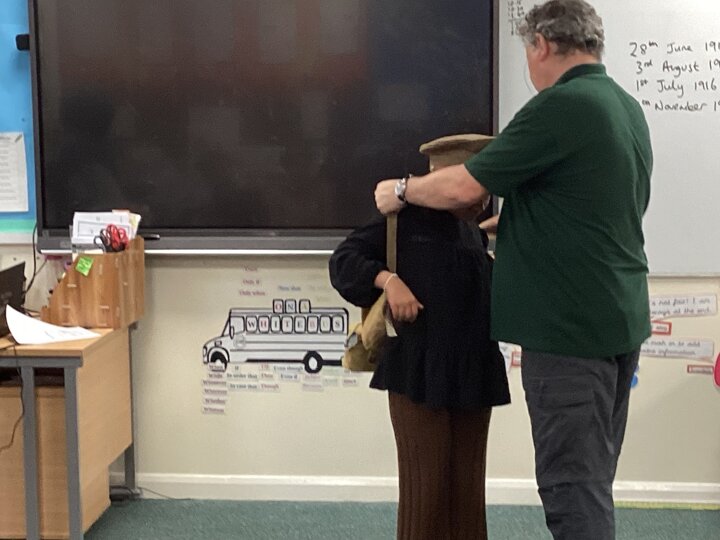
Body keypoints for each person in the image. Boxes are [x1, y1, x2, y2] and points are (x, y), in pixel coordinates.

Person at [374, 1, 652, 539]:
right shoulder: (623, 106)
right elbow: (600, 206)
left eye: (527, 51)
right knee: (592, 478)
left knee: (571, 488)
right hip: (616, 319)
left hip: (569, 333)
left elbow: (464, 185)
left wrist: (402, 190)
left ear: (541, 45)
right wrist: (525, 220)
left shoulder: (561, 105)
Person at [329, 137, 510, 540]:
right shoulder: (401, 222)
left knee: (468, 493)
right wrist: (388, 281)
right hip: (418, 370)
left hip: (473, 368)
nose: (482, 201)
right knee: (424, 490)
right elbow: (343, 262)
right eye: (474, 188)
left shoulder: (472, 233)